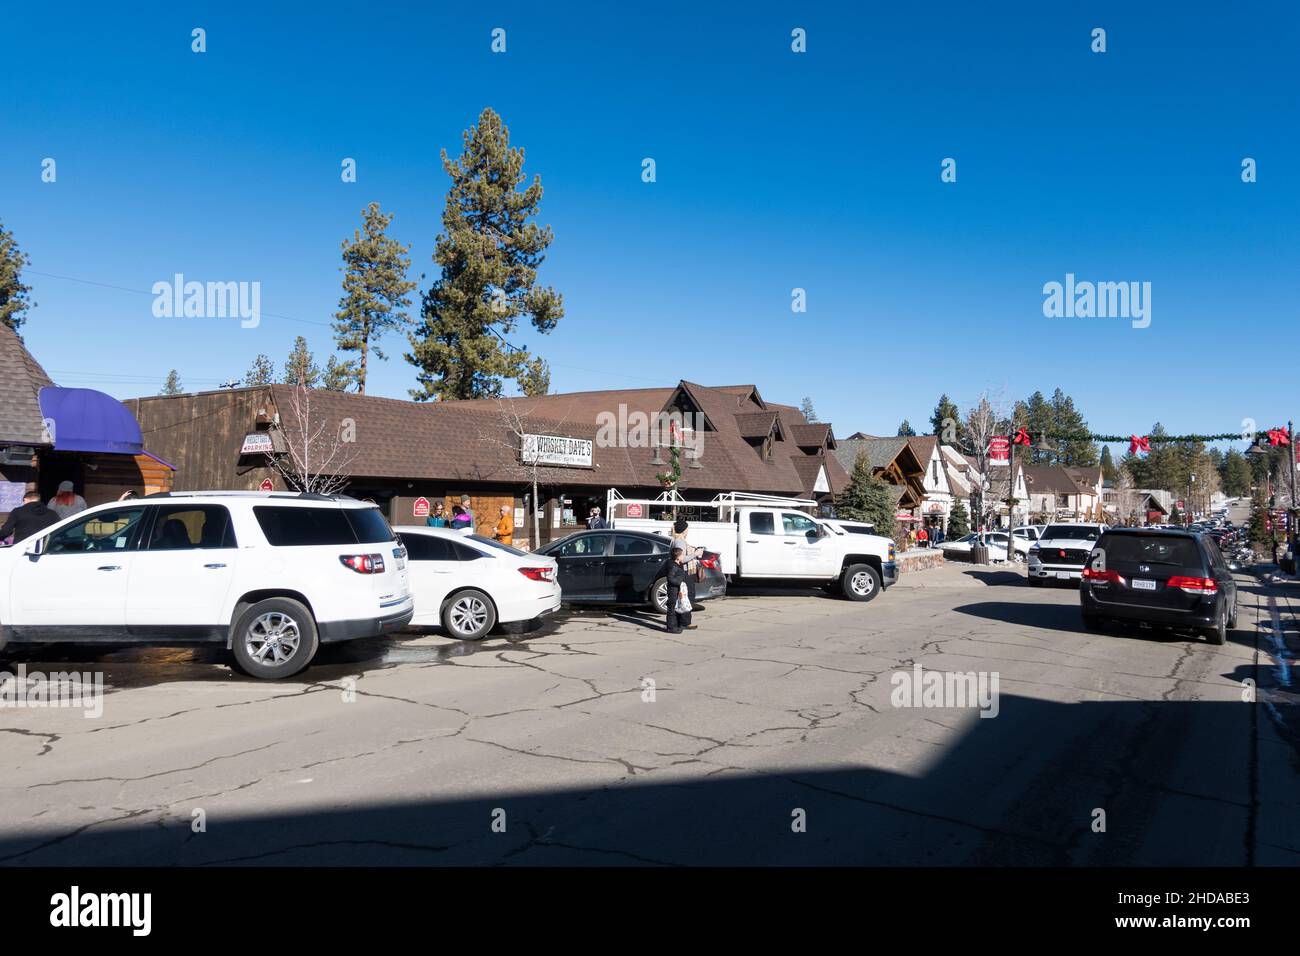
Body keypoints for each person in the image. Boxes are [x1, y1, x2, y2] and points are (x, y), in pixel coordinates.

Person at [664, 547, 696, 633]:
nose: (683, 557)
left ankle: (676, 625)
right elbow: (670, 578)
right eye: (682, 555)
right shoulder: (673, 566)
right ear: (678, 556)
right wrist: (679, 583)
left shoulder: (678, 564)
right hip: (673, 590)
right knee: (672, 608)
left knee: (676, 607)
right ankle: (671, 627)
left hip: (677, 590)